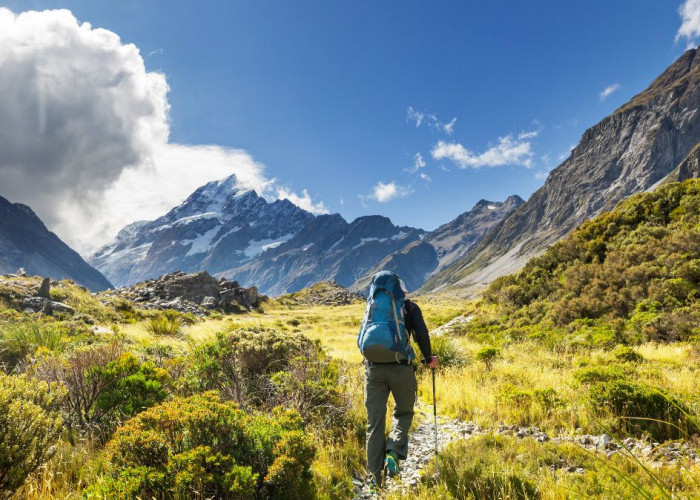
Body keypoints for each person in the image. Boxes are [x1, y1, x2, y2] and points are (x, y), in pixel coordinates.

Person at [360, 272, 439, 492]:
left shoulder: (373, 307)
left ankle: (375, 483)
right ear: (401, 291)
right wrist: (428, 358)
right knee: (404, 412)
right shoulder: (410, 307)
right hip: (401, 368)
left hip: (373, 369)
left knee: (374, 425)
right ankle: (393, 452)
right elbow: (421, 335)